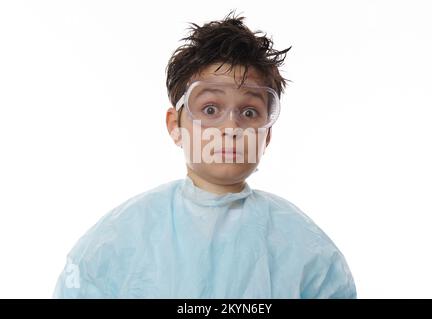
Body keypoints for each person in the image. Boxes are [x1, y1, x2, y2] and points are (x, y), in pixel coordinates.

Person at [53, 11, 357, 299]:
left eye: (249, 112)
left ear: (267, 135)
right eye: (210, 109)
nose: (230, 126)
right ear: (176, 125)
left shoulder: (303, 247)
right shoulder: (122, 238)